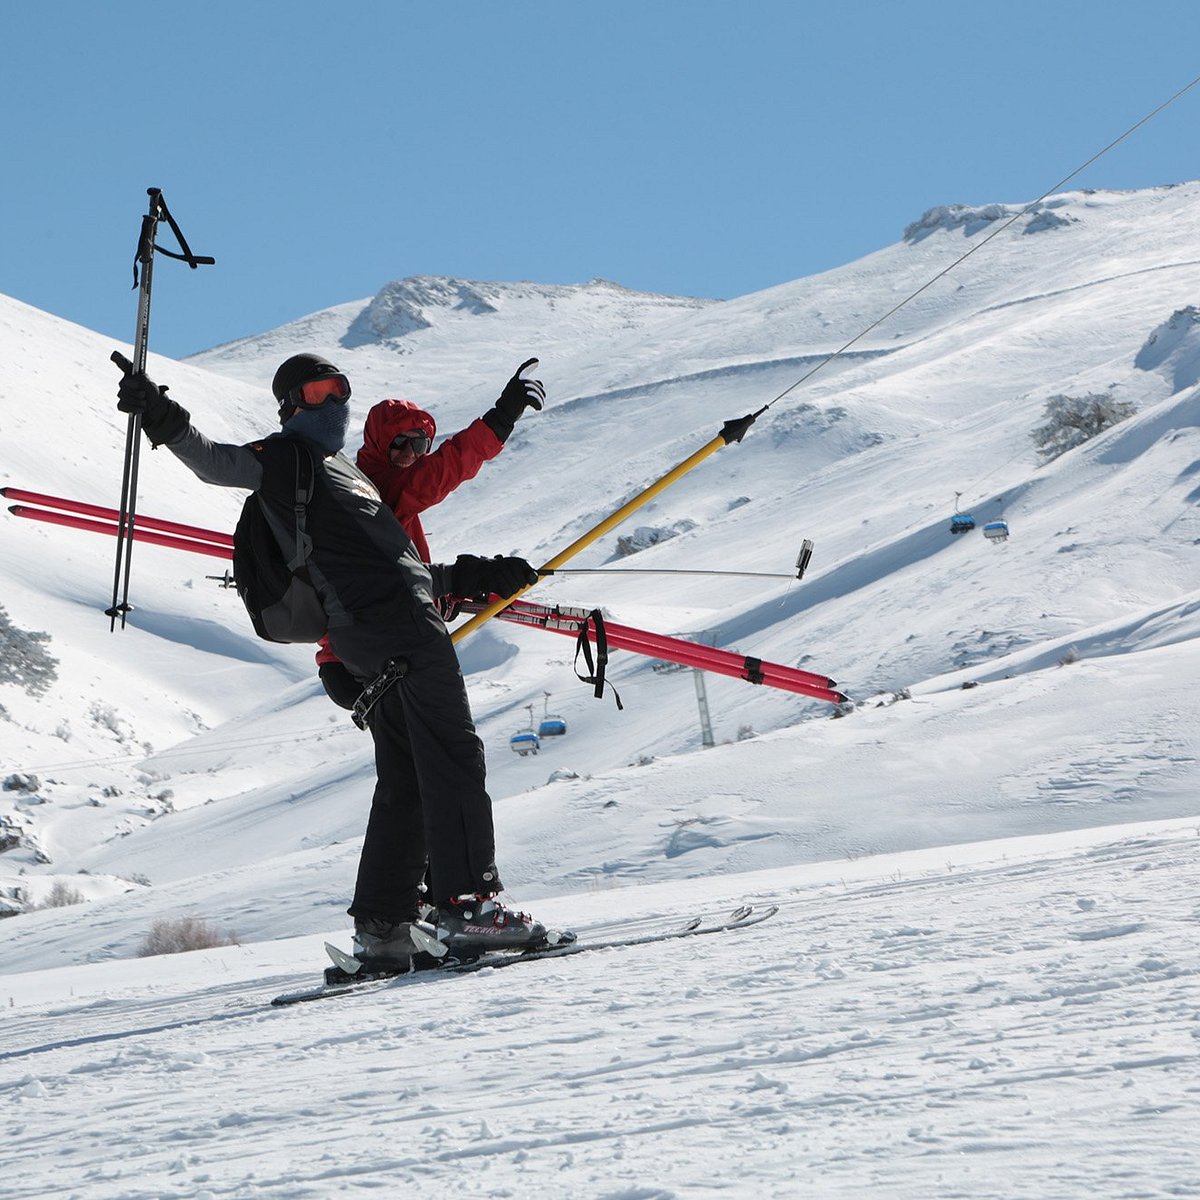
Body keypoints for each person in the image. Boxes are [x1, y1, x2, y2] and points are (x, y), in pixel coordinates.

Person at [115, 350, 548, 973]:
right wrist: (158, 412)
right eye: (317, 392)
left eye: (340, 389)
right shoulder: (285, 458)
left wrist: (460, 574)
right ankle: (471, 910)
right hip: (398, 627)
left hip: (370, 634)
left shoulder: (347, 473)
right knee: (453, 755)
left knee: (407, 778)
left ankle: (385, 929)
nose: (333, 403)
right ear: (290, 405)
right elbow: (214, 461)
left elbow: (390, 547)